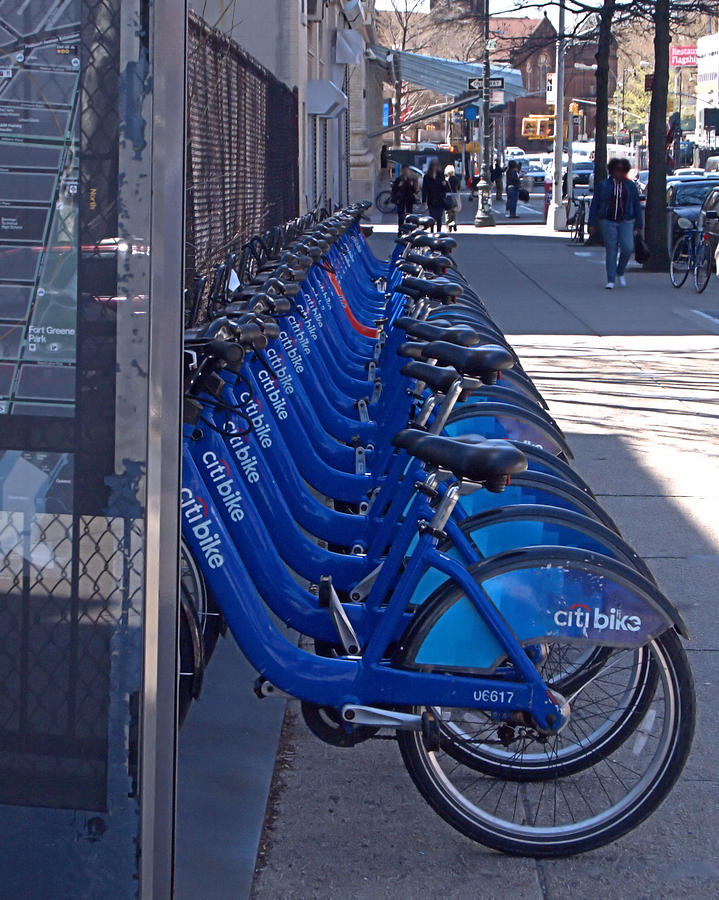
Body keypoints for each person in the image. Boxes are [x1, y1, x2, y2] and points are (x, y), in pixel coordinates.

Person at [588, 157, 643, 289]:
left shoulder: (630, 186)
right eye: (617, 170)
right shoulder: (604, 185)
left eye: (622, 170)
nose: (619, 173)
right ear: (611, 170)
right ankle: (611, 279)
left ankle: (620, 270)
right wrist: (591, 223)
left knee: (628, 247)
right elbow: (595, 204)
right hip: (608, 220)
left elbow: (636, 204)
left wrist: (639, 223)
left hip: (626, 220)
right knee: (611, 250)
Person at [422, 158, 449, 231]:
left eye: (436, 165)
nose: (434, 167)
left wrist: (444, 185)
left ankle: (439, 231)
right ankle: (432, 230)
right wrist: (424, 201)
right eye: (433, 165)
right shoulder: (427, 177)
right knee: (432, 217)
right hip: (431, 199)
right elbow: (425, 189)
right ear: (430, 166)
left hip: (440, 199)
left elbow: (446, 189)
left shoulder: (441, 175)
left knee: (439, 217)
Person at [390, 164, 417, 233]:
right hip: (401, 199)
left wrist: (411, 185)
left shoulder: (411, 179)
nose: (405, 171)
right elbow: (394, 189)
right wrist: (399, 186)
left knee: (409, 215)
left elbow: (414, 190)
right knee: (401, 215)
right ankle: (400, 229)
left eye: (407, 170)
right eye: (404, 170)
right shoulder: (399, 179)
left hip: (409, 199)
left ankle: (407, 229)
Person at [444, 164, 461, 232]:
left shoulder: (446, 180)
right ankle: (454, 223)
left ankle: (449, 226)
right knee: (454, 211)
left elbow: (444, 189)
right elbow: (459, 188)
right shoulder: (457, 179)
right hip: (455, 196)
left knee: (448, 212)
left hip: (448, 196)